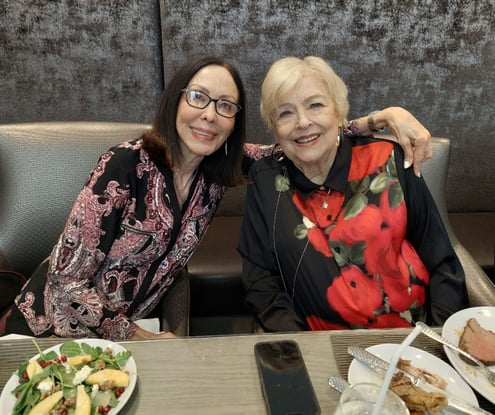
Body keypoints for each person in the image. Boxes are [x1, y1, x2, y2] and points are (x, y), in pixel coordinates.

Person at [5, 55, 432, 341]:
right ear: (175, 101)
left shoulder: (217, 168)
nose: (210, 114)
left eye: (226, 106)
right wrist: (142, 339)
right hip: (49, 332)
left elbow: (297, 141)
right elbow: (66, 283)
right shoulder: (123, 165)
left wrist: (382, 117)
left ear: (234, 123)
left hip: (128, 344)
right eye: (198, 98)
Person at [238, 56, 468, 333]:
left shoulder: (389, 160)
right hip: (323, 350)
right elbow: (262, 285)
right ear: (273, 127)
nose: (302, 122)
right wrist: (302, 351)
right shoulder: (265, 182)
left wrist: (440, 342)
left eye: (316, 105)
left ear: (338, 113)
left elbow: (442, 260)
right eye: (285, 113)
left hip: (412, 342)